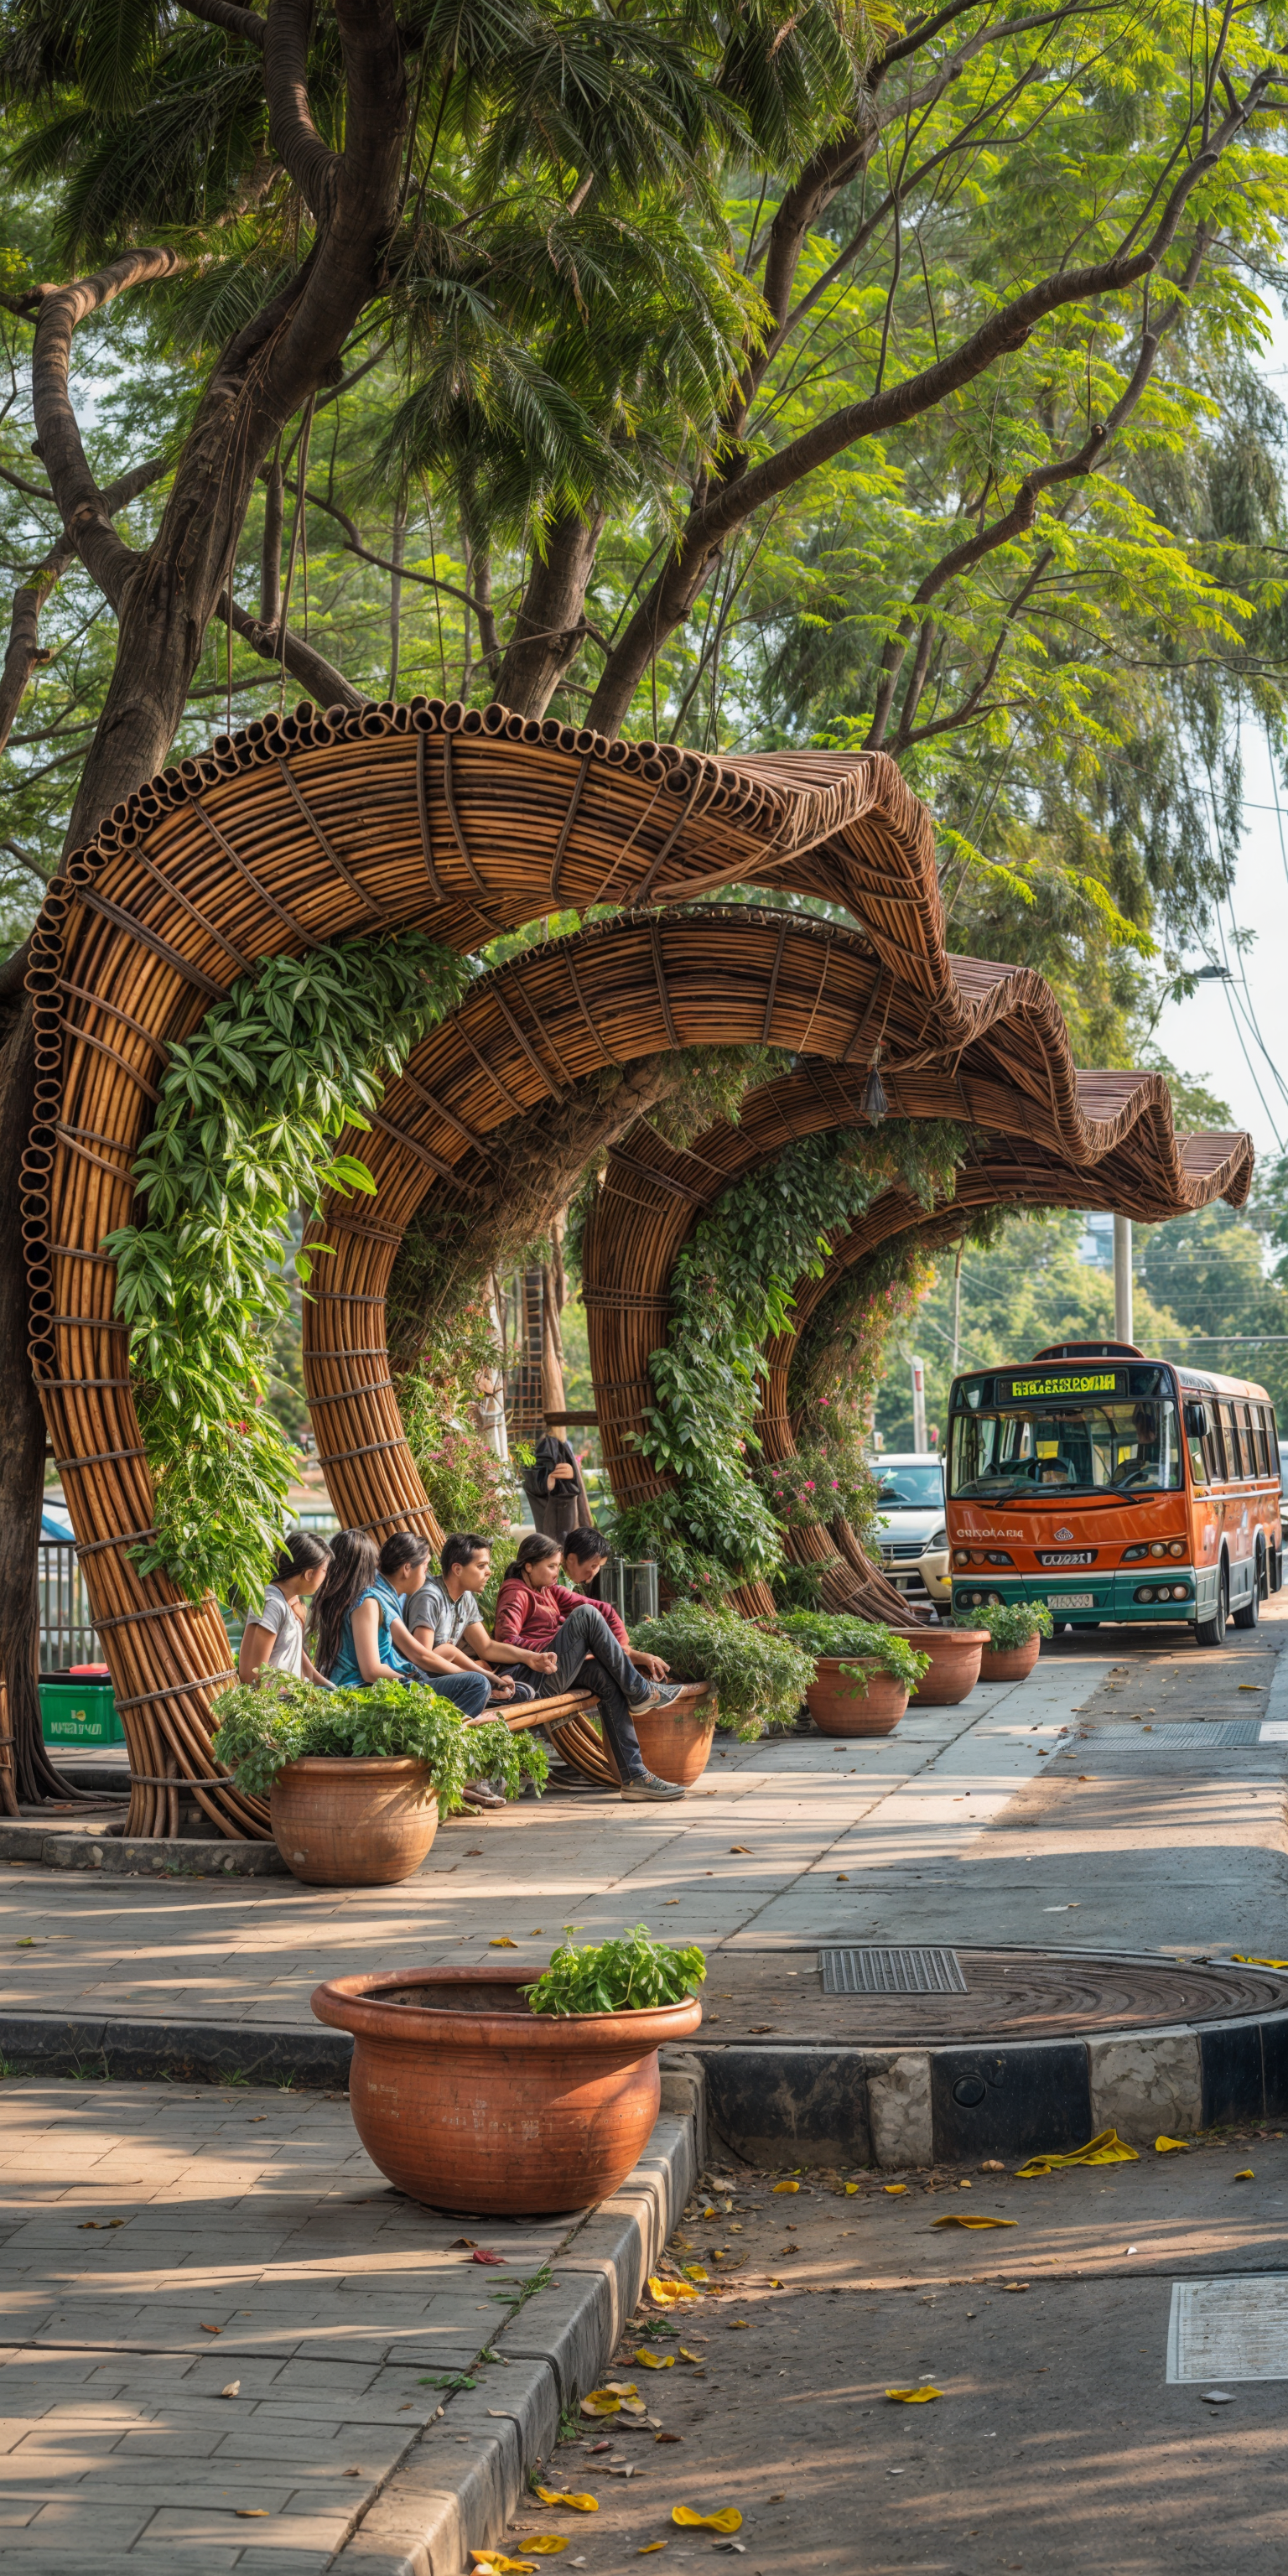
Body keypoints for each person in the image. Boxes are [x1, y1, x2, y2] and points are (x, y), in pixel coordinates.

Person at [493, 1531, 686, 1802]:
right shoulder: (516, 1592)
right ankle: (640, 1691)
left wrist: (625, 1651)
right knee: (585, 1617)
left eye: (558, 1567)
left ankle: (635, 1776)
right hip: (534, 1679)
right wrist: (552, 1645)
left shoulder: (548, 1591)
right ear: (528, 1566)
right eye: (550, 1566)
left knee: (605, 1678)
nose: (555, 1573)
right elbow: (506, 1640)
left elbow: (605, 1610)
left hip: (554, 1673)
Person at [311, 1528, 492, 1717]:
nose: (427, 1574)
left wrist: (477, 1674)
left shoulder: (380, 1598)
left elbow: (418, 1653)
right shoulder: (369, 1602)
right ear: (407, 1568)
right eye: (425, 1567)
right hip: (363, 1690)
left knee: (477, 1682)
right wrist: (413, 1686)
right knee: (477, 1684)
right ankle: (453, 1727)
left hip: (385, 1684)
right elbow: (371, 1670)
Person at [407, 1533, 555, 1704]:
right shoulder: (430, 1597)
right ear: (457, 1569)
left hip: (453, 1675)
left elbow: (486, 1647)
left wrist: (530, 1657)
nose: (489, 1572)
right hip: (424, 1682)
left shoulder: (465, 1597)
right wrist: (482, 1676)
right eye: (481, 1566)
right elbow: (422, 1658)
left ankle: (497, 1690)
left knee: (518, 1671)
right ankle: (492, 1692)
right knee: (491, 1682)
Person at [238, 1530, 333, 1685]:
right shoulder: (273, 1604)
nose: (326, 1577)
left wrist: (331, 1689)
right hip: (273, 1706)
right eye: (324, 1571)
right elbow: (254, 1674)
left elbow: (303, 1665)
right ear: (309, 1574)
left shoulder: (287, 1602)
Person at [523, 1426, 592, 1540]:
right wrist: (546, 1482)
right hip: (552, 1510)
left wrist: (572, 1473)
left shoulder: (562, 1445)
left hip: (566, 1504)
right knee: (554, 1545)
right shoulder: (541, 1444)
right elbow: (529, 1477)